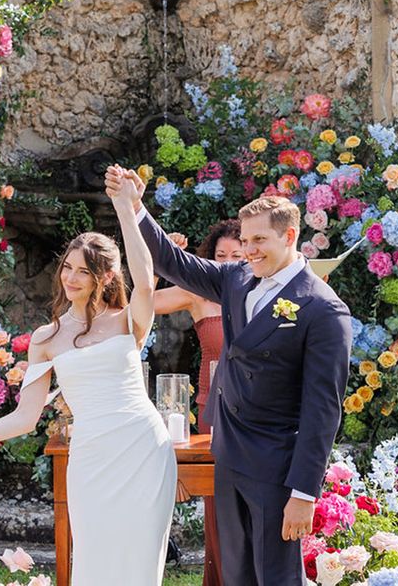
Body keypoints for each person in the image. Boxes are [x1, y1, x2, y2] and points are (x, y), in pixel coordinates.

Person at [106, 166, 353, 586]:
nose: (249, 251)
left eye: (259, 240)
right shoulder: (236, 279)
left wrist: (304, 493)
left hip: (277, 464)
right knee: (235, 573)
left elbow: (323, 410)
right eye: (245, 240)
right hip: (229, 451)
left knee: (275, 577)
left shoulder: (323, 309)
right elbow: (172, 261)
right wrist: (135, 207)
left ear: (290, 236)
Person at [0, 217, 177, 586]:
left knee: (140, 566)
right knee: (95, 563)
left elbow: (145, 283)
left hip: (143, 450)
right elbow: (24, 418)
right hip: (92, 459)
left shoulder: (128, 320)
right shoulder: (46, 338)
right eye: (68, 267)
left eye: (84, 271)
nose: (71, 278)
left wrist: (126, 207)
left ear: (106, 277)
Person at [154, 220, 243, 586]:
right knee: (218, 501)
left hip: (256, 407)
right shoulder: (197, 293)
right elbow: (142, 306)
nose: (228, 262)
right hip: (213, 408)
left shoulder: (265, 291)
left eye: (236, 255)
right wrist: (161, 263)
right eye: (221, 255)